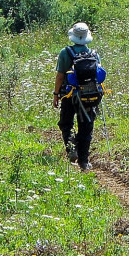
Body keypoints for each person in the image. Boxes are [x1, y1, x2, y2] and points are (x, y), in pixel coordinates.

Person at [53, 22, 103, 171]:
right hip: (89, 96)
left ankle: (71, 148)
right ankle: (84, 162)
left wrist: (56, 94)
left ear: (73, 37)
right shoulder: (94, 54)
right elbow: (99, 77)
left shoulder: (65, 53)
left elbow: (60, 76)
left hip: (69, 95)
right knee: (86, 127)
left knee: (66, 123)